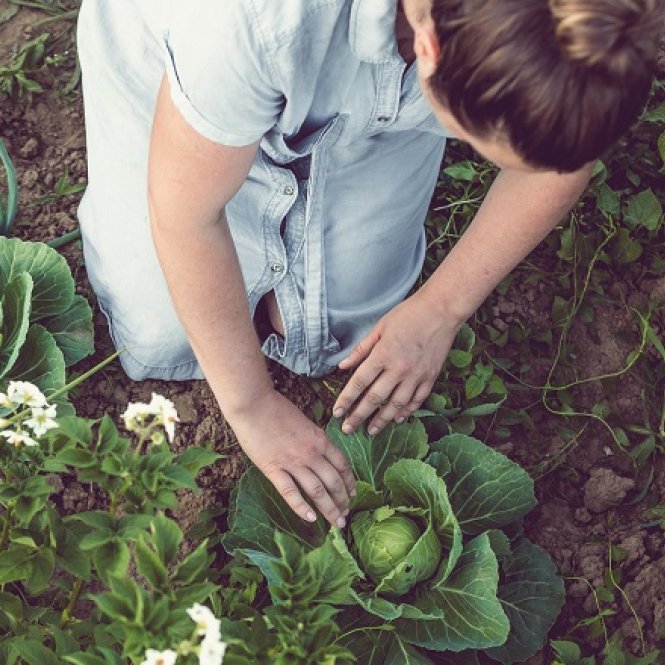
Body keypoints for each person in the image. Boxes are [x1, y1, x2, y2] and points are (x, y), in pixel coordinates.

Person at [76, 0, 663, 529]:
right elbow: (185, 217)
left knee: (342, 335)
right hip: (183, 73)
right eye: (479, 142)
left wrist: (441, 308)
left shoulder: (589, 28)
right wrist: (251, 408)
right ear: (430, 49)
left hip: (383, 105)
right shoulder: (249, 21)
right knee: (164, 333)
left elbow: (561, 158)